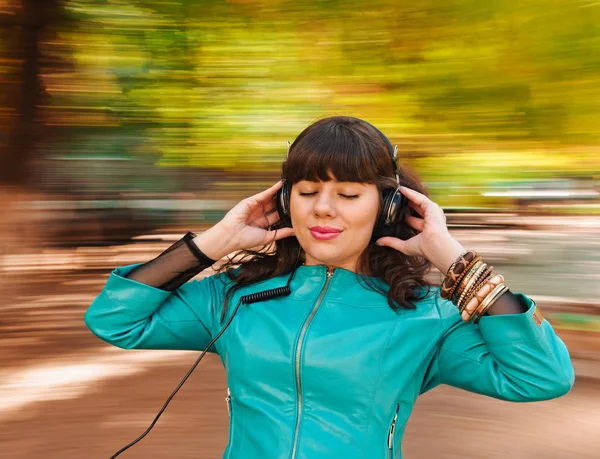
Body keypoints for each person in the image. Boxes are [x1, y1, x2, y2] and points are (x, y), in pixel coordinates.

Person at [84, 116, 574, 459]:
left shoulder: (427, 318)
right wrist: (216, 242)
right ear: (284, 201)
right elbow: (115, 320)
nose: (323, 208)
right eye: (307, 191)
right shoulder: (233, 297)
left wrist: (451, 257)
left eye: (347, 194)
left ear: (385, 207)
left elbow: (541, 377)